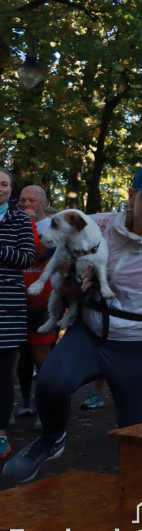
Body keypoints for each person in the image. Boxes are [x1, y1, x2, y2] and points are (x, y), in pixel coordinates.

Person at [3, 162, 142, 484]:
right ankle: (51, 438)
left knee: (138, 440)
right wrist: (67, 286)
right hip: (89, 332)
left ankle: (136, 508)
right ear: (132, 195)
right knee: (52, 382)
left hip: (137, 348)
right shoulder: (97, 224)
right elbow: (58, 269)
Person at [0, 169, 36, 458]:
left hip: (7, 308)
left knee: (2, 375)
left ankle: (0, 433)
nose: (0, 188)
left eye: (4, 184)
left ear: (10, 189)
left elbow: (26, 258)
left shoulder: (20, 219)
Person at [15, 185, 57, 420]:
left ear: (44, 202)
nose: (26, 204)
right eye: (23, 200)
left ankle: (45, 408)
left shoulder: (54, 228)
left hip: (42, 304)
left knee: (42, 357)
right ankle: (19, 405)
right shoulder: (10, 224)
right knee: (15, 356)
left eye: (32, 200)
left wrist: (28, 222)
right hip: (13, 301)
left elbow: (38, 253)